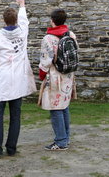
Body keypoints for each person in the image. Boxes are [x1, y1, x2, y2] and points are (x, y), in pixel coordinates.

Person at [0, 0, 37, 158]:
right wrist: (22, 5)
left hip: (2, 77)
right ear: (15, 19)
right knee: (15, 115)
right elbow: (24, 21)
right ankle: (11, 148)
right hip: (18, 78)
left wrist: (0, 62)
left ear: (4, 20)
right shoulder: (22, 32)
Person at [38, 9, 77, 151]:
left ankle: (60, 141)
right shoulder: (70, 35)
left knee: (55, 108)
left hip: (55, 76)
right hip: (68, 75)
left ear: (52, 20)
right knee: (64, 106)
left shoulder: (48, 39)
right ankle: (65, 137)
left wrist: (42, 75)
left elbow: (45, 61)